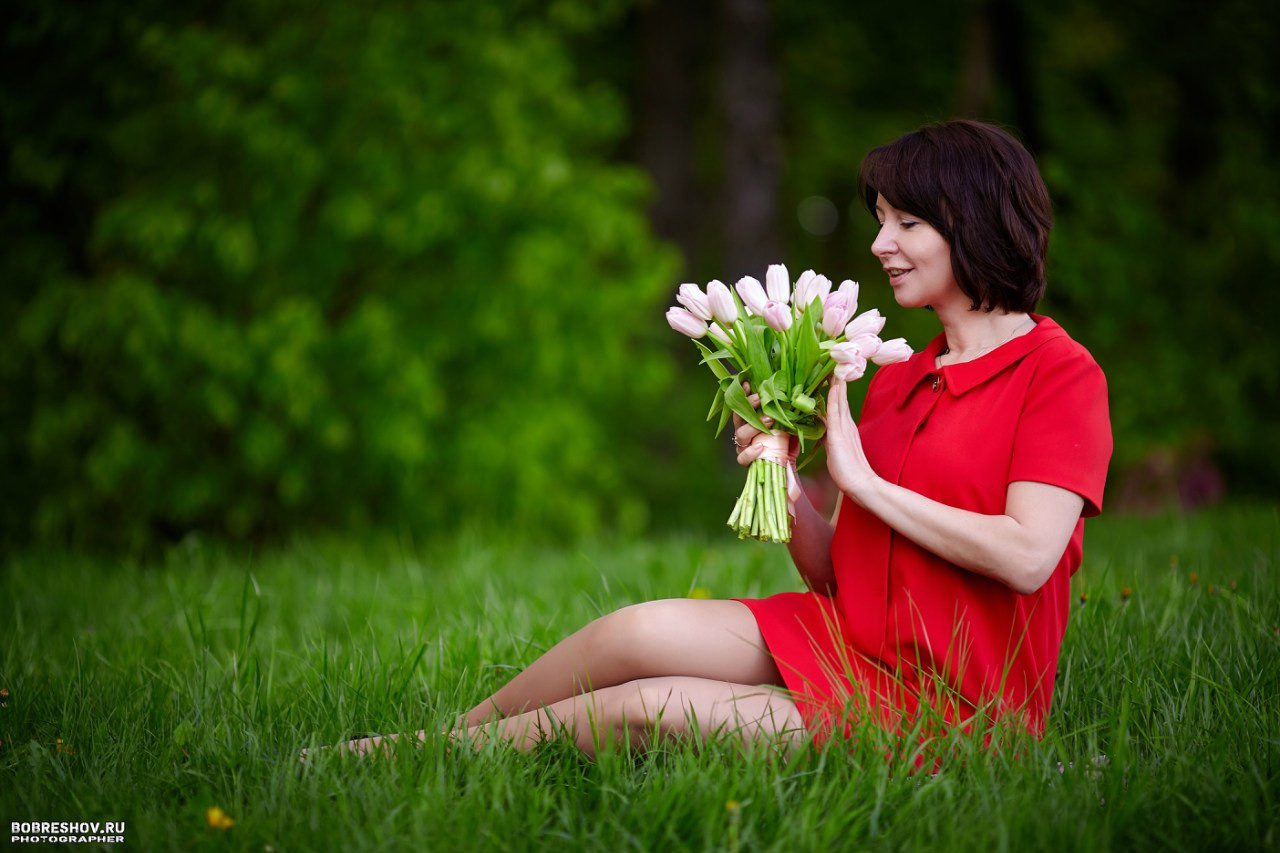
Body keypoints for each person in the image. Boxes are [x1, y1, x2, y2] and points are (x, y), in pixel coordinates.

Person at [325, 119, 1112, 759]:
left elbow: (1026, 554)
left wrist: (866, 482)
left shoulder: (1061, 375)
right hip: (848, 639)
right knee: (636, 631)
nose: (880, 244)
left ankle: (409, 759)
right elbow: (842, 573)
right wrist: (792, 484)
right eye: (880, 222)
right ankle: (443, 741)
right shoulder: (903, 375)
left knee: (643, 708)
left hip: (953, 708)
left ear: (972, 222)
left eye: (906, 223)